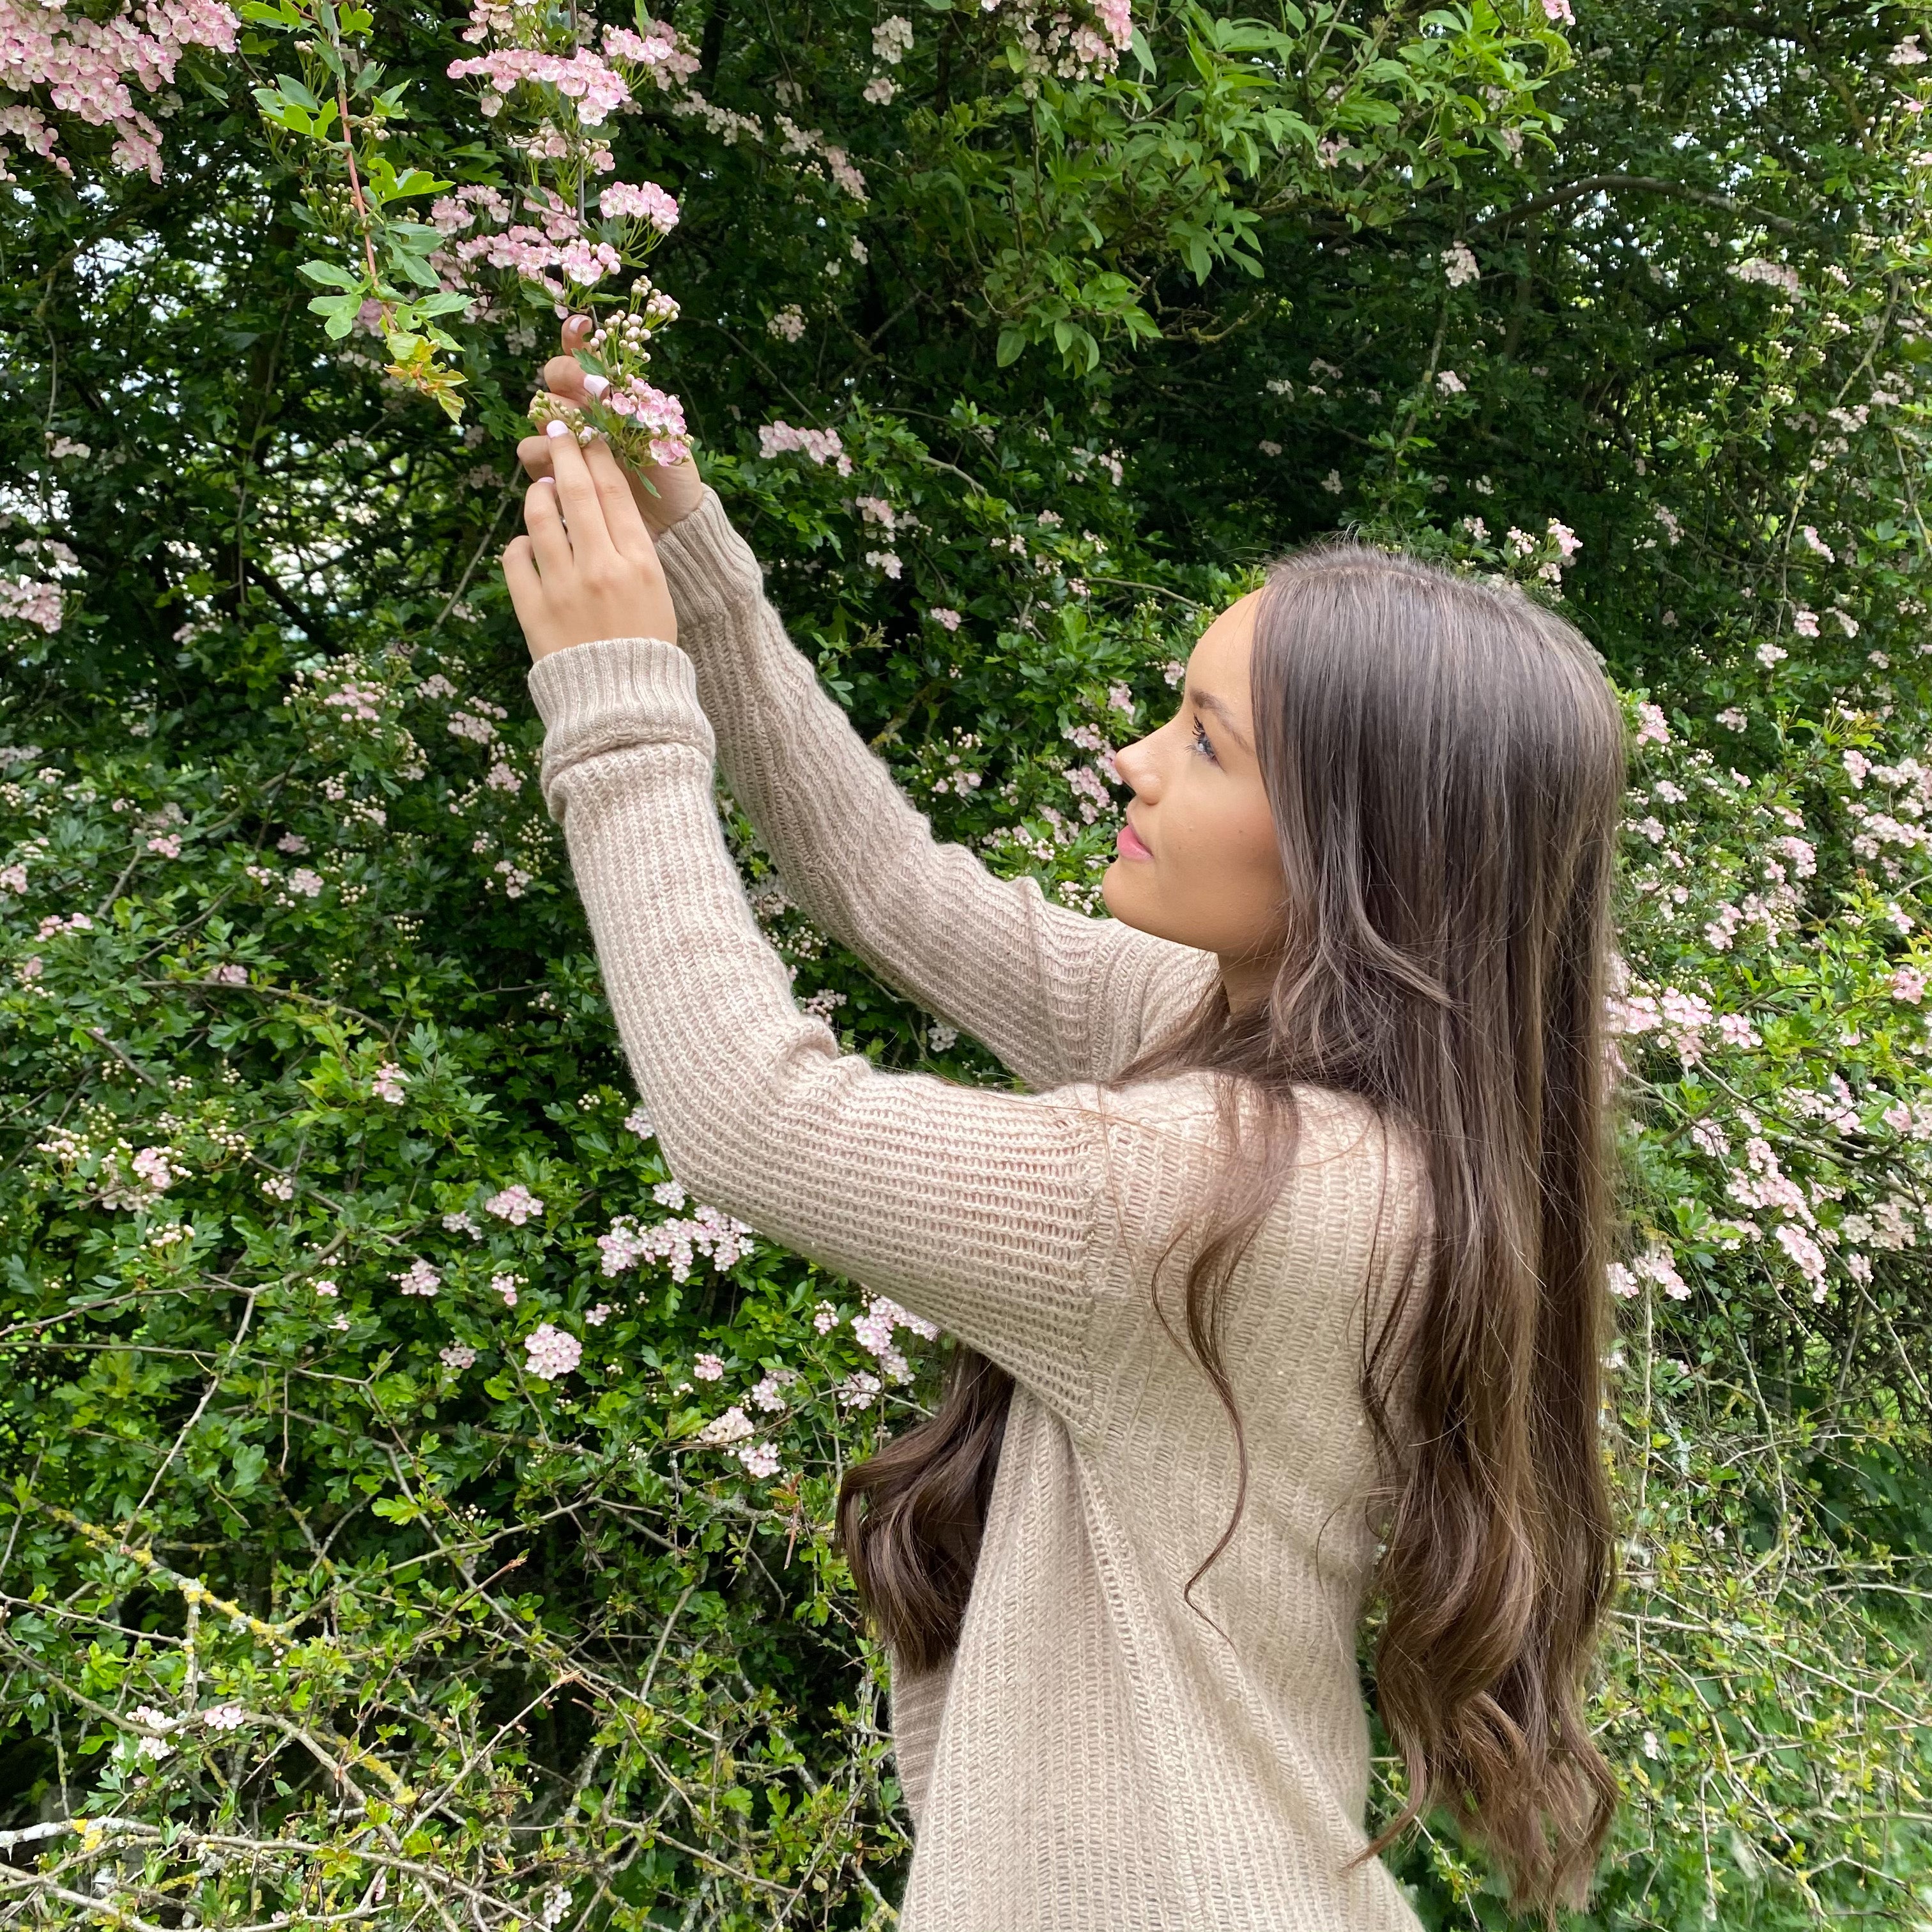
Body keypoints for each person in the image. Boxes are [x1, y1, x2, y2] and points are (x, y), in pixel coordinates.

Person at [507, 318, 1629, 1930]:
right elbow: (893, 889)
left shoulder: (1226, 1189)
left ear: (1363, 854)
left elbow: (748, 1116)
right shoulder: (1274, 1062)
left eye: (1204, 741)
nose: (1133, 760)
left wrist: (615, 702)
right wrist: (692, 556)